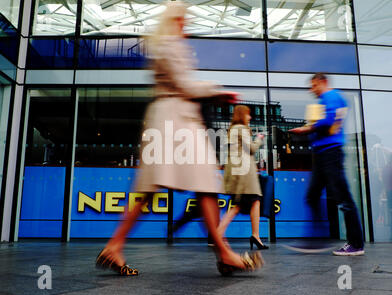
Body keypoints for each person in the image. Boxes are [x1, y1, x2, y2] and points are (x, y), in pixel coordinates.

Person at [95, 1, 263, 276]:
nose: (187, 23)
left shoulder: (166, 43)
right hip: (177, 122)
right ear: (175, 19)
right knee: (204, 182)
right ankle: (223, 253)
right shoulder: (171, 44)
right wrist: (216, 91)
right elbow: (185, 85)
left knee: (155, 188)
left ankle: (115, 245)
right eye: (184, 18)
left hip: (171, 120)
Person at [289, 72, 364, 256]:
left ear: (323, 82)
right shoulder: (326, 99)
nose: (312, 89)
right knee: (312, 196)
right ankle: (316, 240)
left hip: (330, 153)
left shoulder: (330, 96)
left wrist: (306, 129)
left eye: (314, 85)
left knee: (344, 199)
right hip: (322, 153)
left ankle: (356, 244)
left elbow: (329, 121)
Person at [217, 105, 269, 250]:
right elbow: (251, 149)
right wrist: (259, 138)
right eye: (248, 114)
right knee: (251, 201)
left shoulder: (233, 129)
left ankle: (255, 235)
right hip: (245, 174)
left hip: (239, 172)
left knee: (249, 203)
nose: (250, 117)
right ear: (242, 115)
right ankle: (221, 233)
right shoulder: (241, 128)